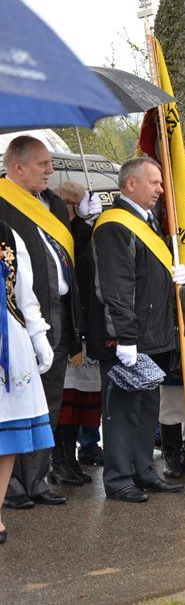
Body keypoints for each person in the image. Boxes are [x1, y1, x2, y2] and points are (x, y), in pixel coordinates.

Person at [89, 157, 185, 501]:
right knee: (122, 411)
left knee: (148, 409)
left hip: (153, 334)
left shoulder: (146, 222)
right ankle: (118, 478)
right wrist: (126, 337)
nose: (162, 189)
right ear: (131, 184)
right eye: (155, 182)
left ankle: (144, 470)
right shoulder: (115, 225)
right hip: (126, 338)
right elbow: (117, 287)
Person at [0, 136, 82, 509]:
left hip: (58, 313)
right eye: (42, 164)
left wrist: (84, 221)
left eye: (50, 163)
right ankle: (11, 486)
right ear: (16, 167)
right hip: (17, 320)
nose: (50, 170)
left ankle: (37, 479)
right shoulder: (3, 202)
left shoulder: (49, 203)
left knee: (47, 400)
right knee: (15, 404)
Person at [0, 221, 55, 544]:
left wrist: (38, 337)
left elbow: (24, 295)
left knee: (5, 437)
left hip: (7, 345)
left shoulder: (7, 235)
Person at [51, 181, 102, 487]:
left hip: (82, 323)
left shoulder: (83, 233)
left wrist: (89, 225)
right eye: (70, 205)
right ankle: (58, 461)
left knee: (78, 402)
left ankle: (69, 458)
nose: (71, 211)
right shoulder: (51, 232)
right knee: (62, 403)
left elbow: (88, 264)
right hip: (62, 327)